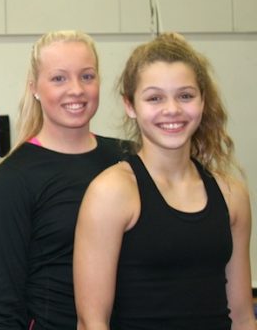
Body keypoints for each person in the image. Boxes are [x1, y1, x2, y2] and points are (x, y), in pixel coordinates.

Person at [74, 32, 255, 330]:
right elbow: (91, 322)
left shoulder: (231, 194)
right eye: (155, 98)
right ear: (130, 105)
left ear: (202, 100)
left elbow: (243, 317)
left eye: (185, 96)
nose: (172, 109)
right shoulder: (112, 193)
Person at [0, 30, 128, 329]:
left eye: (87, 76)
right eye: (59, 78)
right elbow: (5, 308)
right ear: (34, 88)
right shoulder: (13, 179)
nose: (76, 89)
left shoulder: (128, 159)